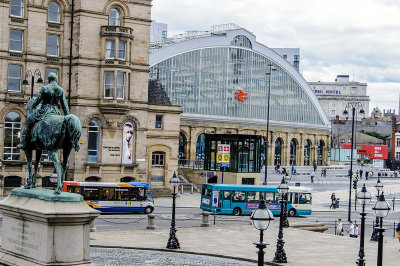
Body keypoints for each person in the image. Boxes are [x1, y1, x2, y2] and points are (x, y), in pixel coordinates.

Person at [17, 72, 69, 150]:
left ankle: (24, 143)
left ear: (49, 79)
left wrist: (33, 105)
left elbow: (38, 100)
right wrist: (67, 116)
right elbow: (64, 105)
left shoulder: (44, 88)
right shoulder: (61, 90)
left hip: (45, 111)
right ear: (56, 79)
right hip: (56, 112)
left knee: (28, 122)